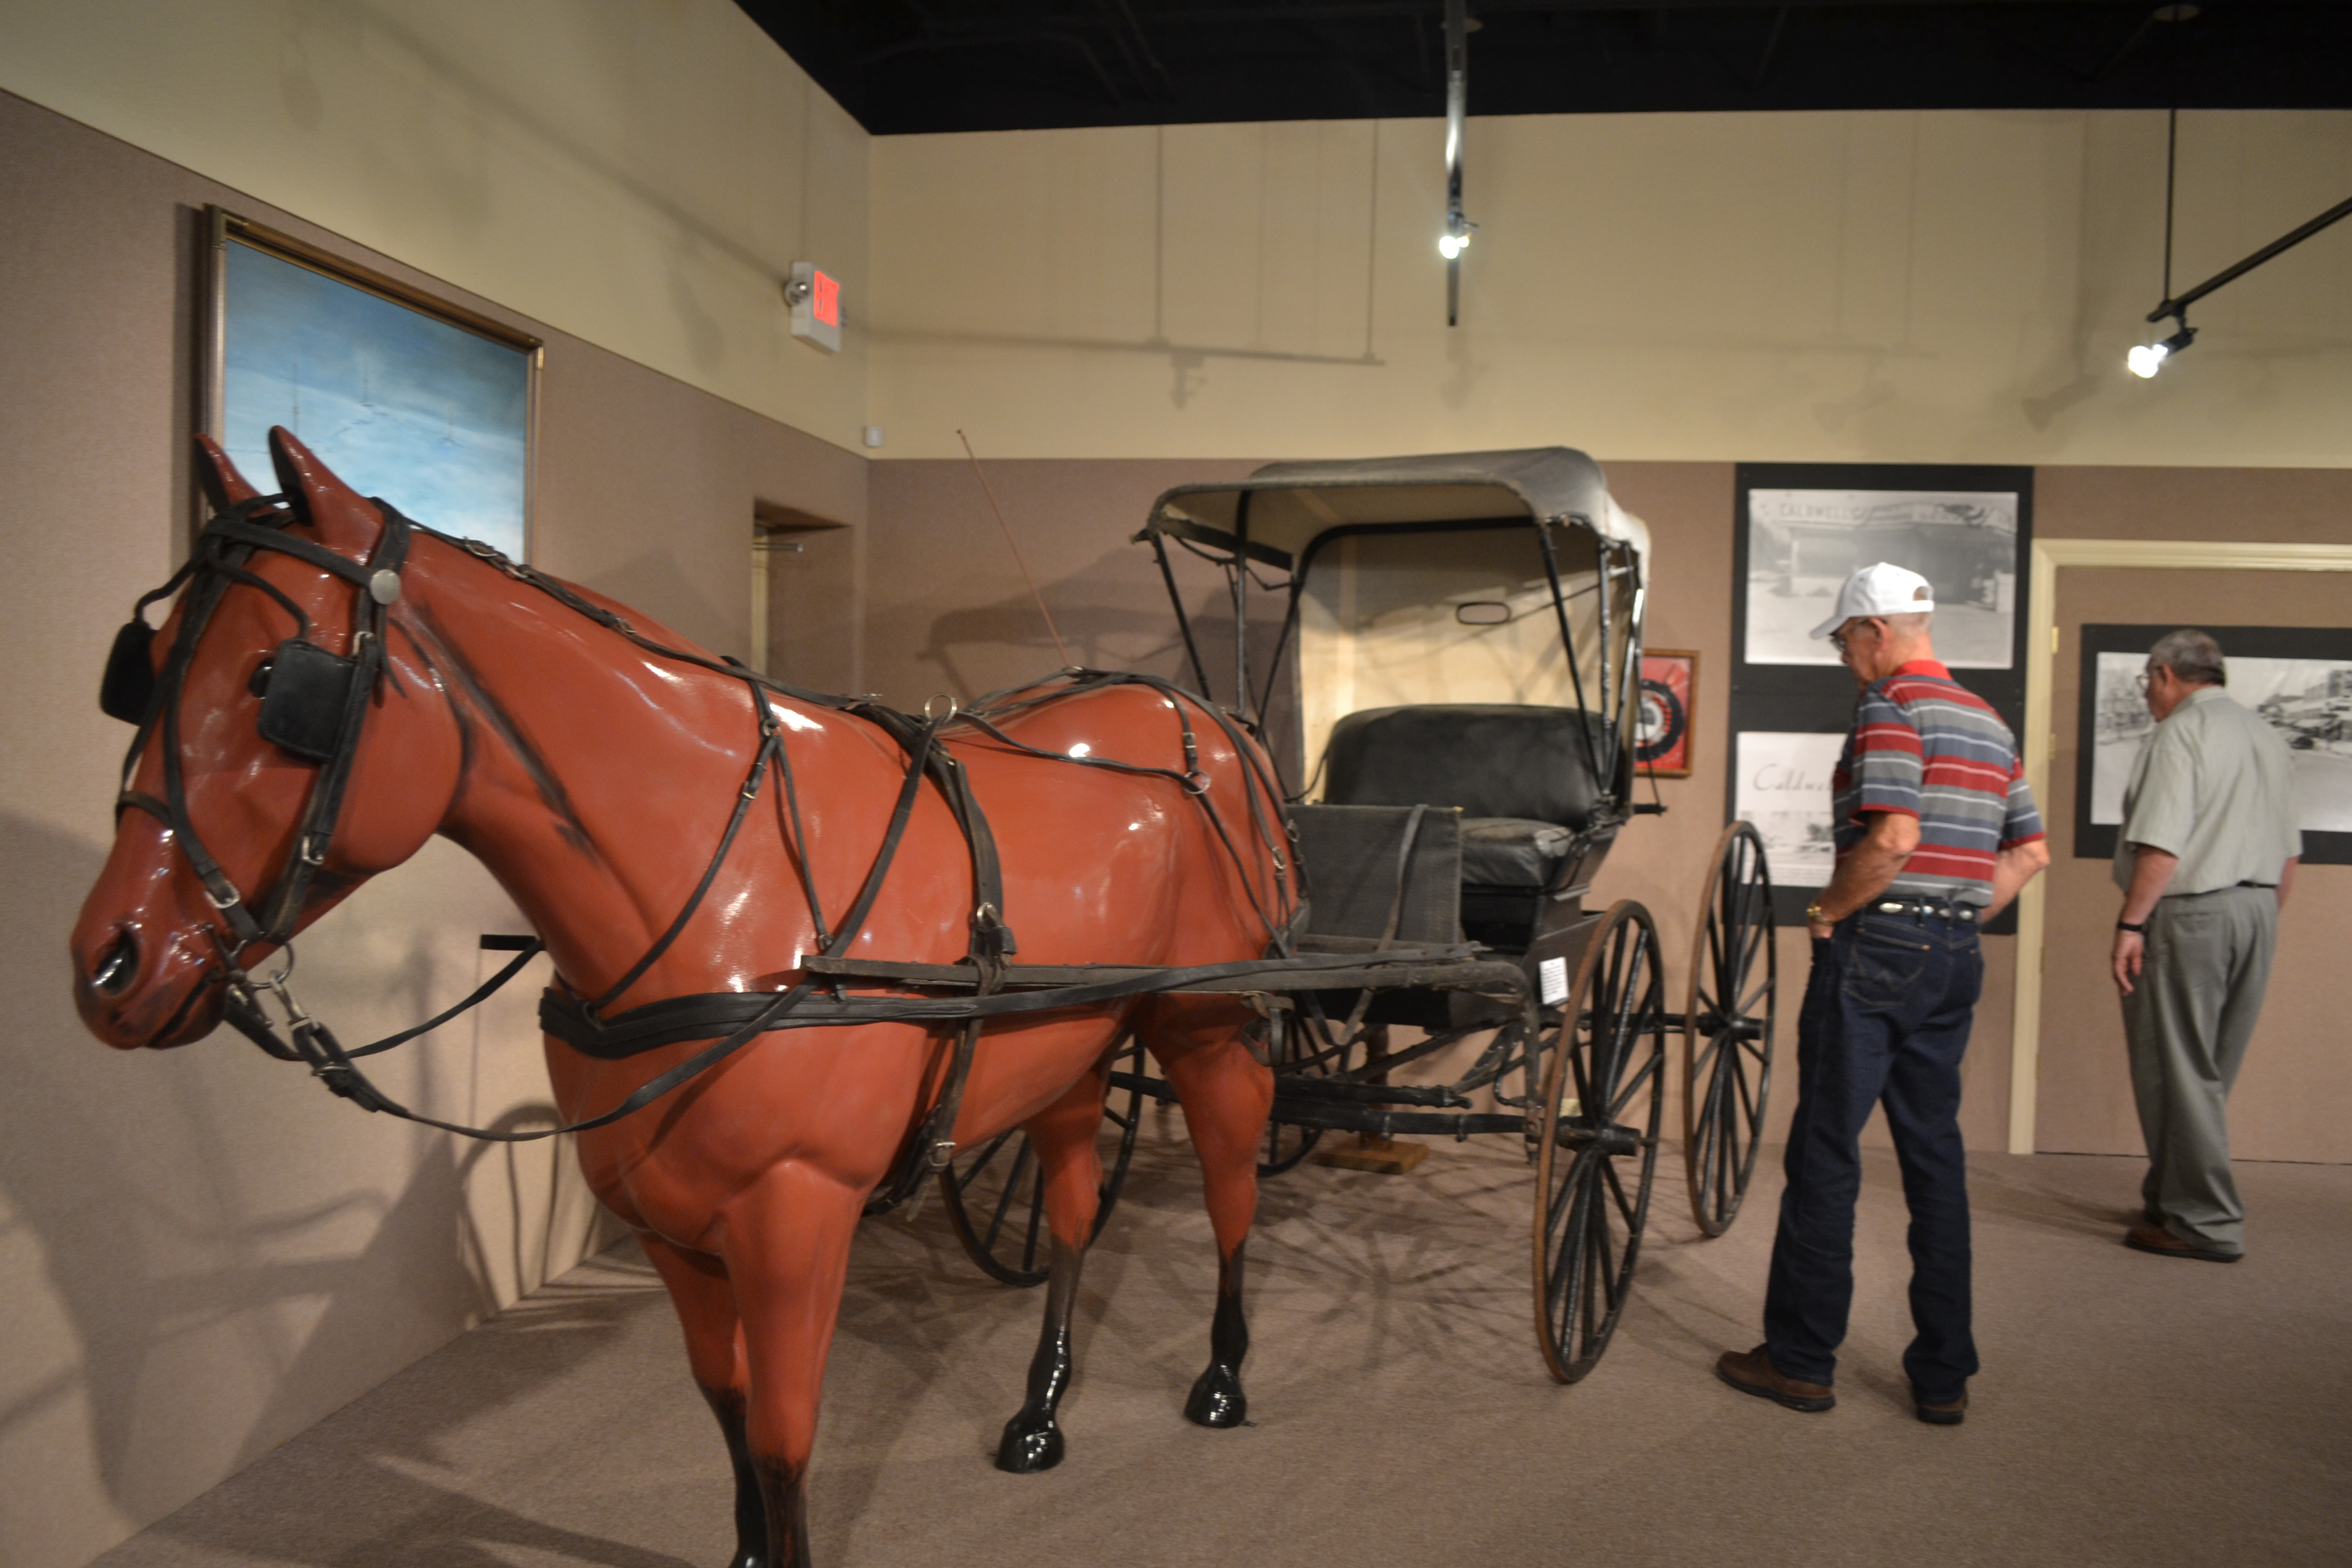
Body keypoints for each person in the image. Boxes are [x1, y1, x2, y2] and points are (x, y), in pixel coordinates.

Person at [1717, 561, 2049, 1426]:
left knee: (1825, 1152)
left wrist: (1830, 911)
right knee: (1933, 1158)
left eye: (1841, 640)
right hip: (1952, 953)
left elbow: (1893, 835)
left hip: (1876, 947)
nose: (1842, 658)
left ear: (1873, 631)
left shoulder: (1891, 706)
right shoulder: (1985, 720)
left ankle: (1799, 1360)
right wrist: (1953, 921)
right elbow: (2026, 855)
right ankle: (1942, 1374)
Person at [2110, 629, 2299, 1264]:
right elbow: (2291, 850)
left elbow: (2162, 844)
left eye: (2147, 683)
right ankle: (2172, 1196)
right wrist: (2259, 918)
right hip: (2258, 908)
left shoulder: (2180, 733)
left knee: (2178, 1069)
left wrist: (2132, 924)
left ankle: (2207, 1221)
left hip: (2192, 911)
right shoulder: (2263, 732)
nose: (2148, 695)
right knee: (2206, 1071)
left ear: (2165, 675)